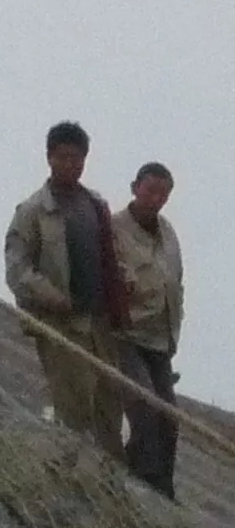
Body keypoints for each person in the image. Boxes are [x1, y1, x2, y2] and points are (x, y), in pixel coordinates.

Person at [3, 121, 129, 452]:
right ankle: (73, 468)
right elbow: (18, 270)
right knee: (74, 409)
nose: (71, 164)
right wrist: (55, 298)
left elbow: (111, 255)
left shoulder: (95, 205)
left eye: (78, 158)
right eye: (64, 157)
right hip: (61, 325)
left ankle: (110, 473)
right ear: (50, 157)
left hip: (100, 324)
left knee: (110, 406)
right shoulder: (33, 211)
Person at [112, 161, 184, 496]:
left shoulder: (168, 233)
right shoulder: (114, 229)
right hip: (127, 336)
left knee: (170, 418)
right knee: (143, 408)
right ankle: (142, 481)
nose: (156, 199)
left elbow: (176, 283)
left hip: (160, 340)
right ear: (134, 188)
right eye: (150, 190)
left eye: (163, 194)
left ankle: (163, 488)